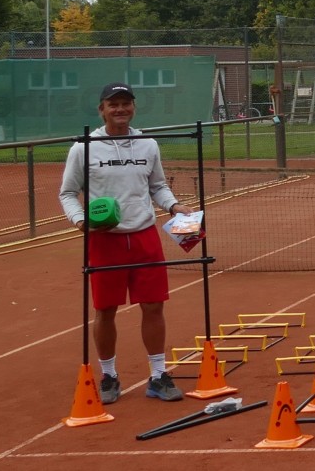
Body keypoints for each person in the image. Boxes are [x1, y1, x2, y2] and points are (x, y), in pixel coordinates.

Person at [59, 82, 195, 404]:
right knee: (105, 310)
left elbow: (158, 186)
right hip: (105, 240)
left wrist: (175, 207)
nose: (120, 109)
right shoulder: (84, 147)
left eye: (125, 103)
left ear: (133, 107)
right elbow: (67, 193)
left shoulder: (147, 143)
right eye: (112, 104)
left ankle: (158, 375)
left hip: (145, 235)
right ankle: (109, 376)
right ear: (101, 109)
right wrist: (81, 221)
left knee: (153, 305)